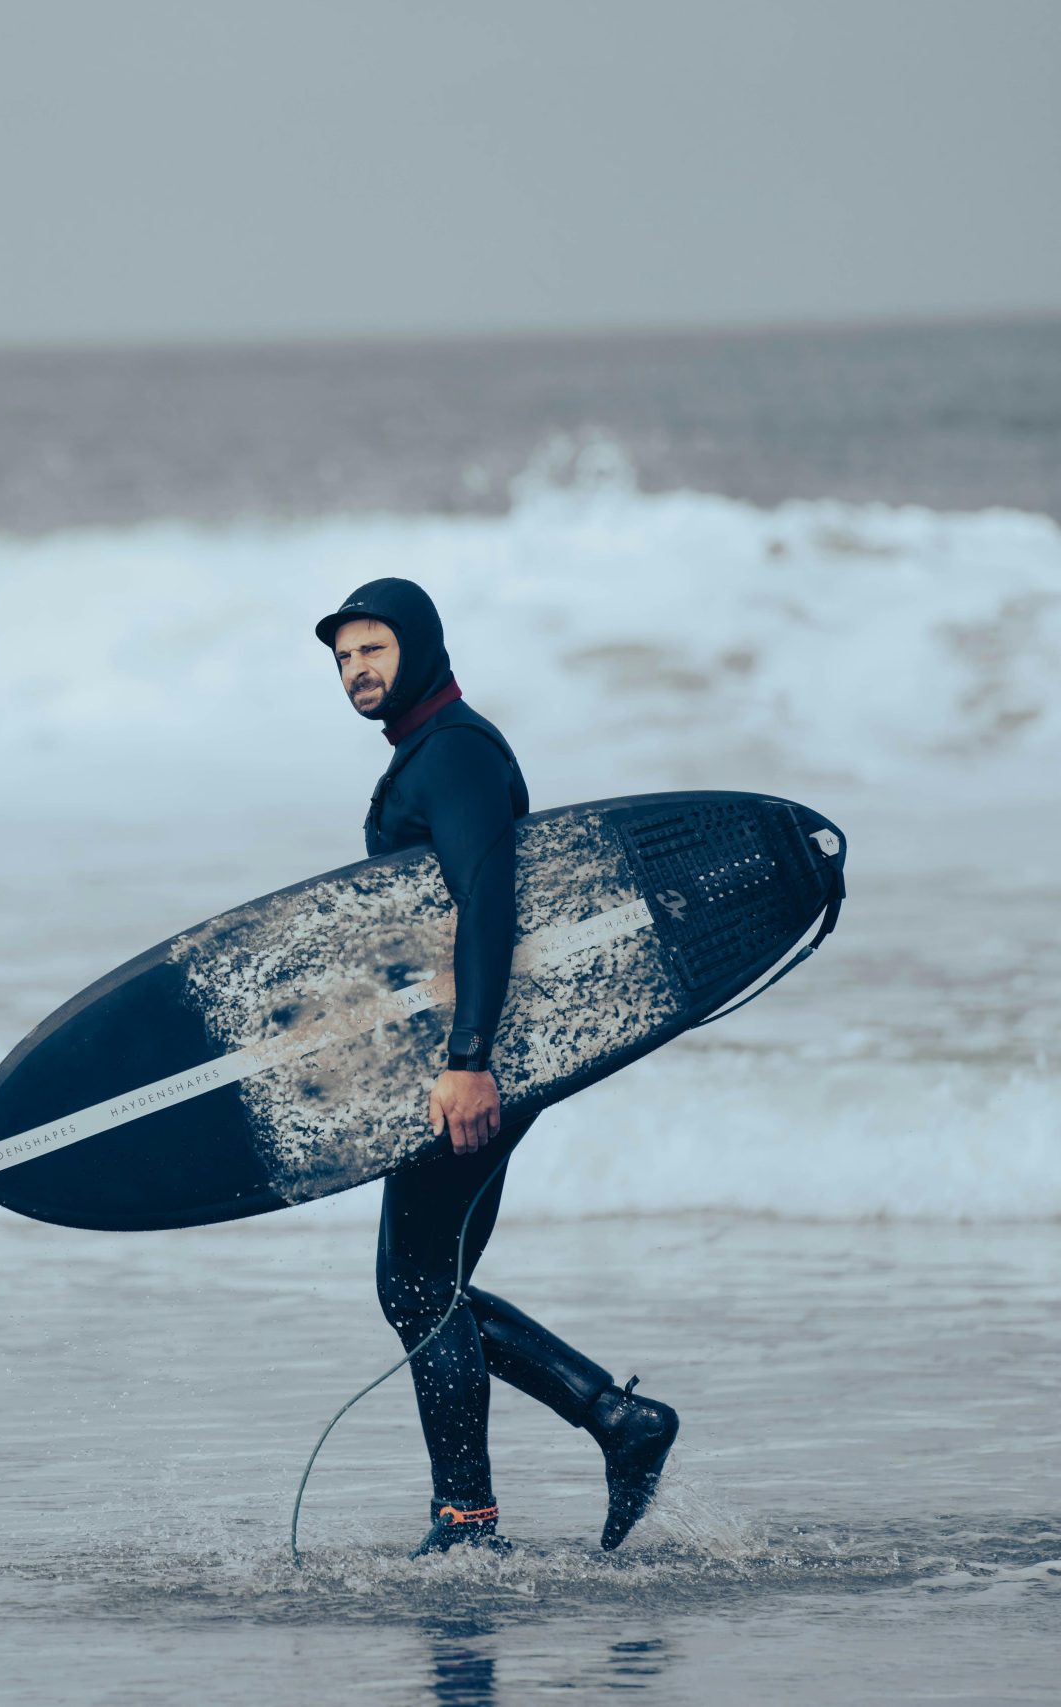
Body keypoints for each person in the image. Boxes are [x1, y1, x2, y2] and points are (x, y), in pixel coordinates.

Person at [314, 577, 680, 1557]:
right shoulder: (423, 759)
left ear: (420, 649)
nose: (356, 669)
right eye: (344, 656)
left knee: (416, 1288)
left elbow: (490, 906)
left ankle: (468, 1518)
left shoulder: (458, 756)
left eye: (374, 649)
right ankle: (613, 1422)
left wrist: (469, 1061)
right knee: (426, 1288)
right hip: (458, 1056)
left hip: (477, 1059)